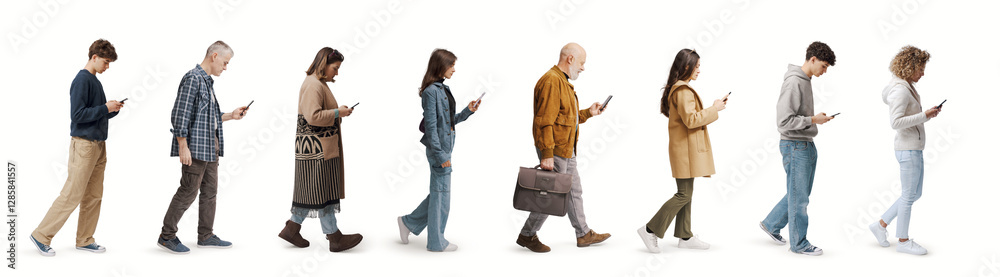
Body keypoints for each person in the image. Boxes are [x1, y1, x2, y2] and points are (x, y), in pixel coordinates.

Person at [29, 39, 122, 257]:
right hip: (84, 146)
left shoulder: (95, 81)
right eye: (106, 62)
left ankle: (85, 239)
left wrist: (112, 109)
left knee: (94, 195)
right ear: (94, 57)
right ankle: (41, 235)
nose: (107, 67)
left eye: (109, 63)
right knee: (72, 194)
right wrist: (104, 108)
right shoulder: (82, 80)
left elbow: (95, 113)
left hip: (99, 146)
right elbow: (77, 116)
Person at [516, 43, 611, 253]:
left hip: (567, 149)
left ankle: (583, 234)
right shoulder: (552, 81)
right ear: (570, 59)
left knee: (574, 191)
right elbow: (545, 121)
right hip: (556, 150)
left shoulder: (562, 81)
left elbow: (566, 118)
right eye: (582, 62)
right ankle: (527, 235)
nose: (583, 68)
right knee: (551, 195)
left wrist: (588, 113)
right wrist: (547, 155)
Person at [157, 41, 249, 254]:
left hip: (210, 148)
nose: (225, 68)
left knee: (210, 192)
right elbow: (179, 115)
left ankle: (205, 235)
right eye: (225, 63)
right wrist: (183, 146)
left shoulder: (207, 82)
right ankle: (166, 236)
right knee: (188, 190)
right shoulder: (193, 79)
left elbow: (209, 117)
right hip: (196, 149)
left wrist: (231, 116)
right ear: (214, 56)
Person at [637, 49, 726, 253]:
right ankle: (650, 229)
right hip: (685, 151)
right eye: (697, 66)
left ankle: (685, 235)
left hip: (685, 149)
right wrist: (715, 109)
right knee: (683, 194)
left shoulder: (678, 89)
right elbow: (691, 120)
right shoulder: (683, 91)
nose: (699, 70)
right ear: (686, 66)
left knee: (687, 193)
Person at [278, 47, 363, 252]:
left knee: (315, 191)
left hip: (318, 148)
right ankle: (334, 237)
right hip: (316, 149)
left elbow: (318, 113)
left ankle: (293, 228)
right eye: (335, 68)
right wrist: (337, 112)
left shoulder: (317, 83)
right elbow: (313, 117)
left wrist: (338, 111)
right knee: (320, 191)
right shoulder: (313, 85)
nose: (337, 72)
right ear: (323, 64)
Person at [396, 49, 480, 252]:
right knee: (442, 196)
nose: (454, 69)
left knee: (438, 194)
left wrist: (468, 111)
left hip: (445, 148)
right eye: (451, 65)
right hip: (439, 151)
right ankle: (435, 242)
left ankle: (408, 222)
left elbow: (449, 122)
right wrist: (441, 155)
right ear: (440, 66)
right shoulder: (431, 92)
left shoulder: (442, 89)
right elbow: (432, 128)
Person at [758, 41, 836, 256]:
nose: (825, 71)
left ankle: (771, 223)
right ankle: (799, 244)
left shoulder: (806, 80)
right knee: (799, 197)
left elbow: (797, 117)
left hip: (805, 144)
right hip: (795, 146)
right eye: (824, 66)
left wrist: (813, 120)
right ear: (812, 59)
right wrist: (813, 119)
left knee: (799, 194)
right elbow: (783, 122)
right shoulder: (794, 82)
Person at [869, 45, 937, 255]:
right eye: (921, 68)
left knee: (915, 194)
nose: (923, 73)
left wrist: (926, 115)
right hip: (908, 150)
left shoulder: (905, 85)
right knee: (909, 195)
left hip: (913, 148)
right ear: (910, 67)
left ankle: (880, 225)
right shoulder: (899, 89)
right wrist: (925, 115)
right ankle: (903, 241)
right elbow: (896, 122)